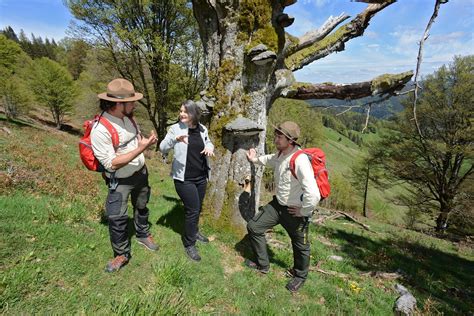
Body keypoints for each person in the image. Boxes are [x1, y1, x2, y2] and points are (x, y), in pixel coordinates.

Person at [91, 78, 158, 273]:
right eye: (132, 101)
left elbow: (135, 142)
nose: (135, 104)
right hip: (120, 180)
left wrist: (144, 142)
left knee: (142, 206)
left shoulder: (130, 118)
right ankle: (121, 253)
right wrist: (143, 148)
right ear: (119, 103)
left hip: (141, 174)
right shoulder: (100, 129)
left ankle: (143, 234)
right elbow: (112, 163)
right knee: (117, 218)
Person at [245, 121, 320, 292]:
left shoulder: (299, 160)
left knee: (300, 245)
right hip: (277, 206)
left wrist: (304, 211)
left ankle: (300, 276)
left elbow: (313, 193)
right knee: (254, 227)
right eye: (276, 135)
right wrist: (254, 159)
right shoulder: (281, 154)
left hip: (295, 212)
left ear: (291, 140)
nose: (276, 139)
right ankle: (263, 265)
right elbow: (270, 159)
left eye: (280, 137)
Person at [159, 100, 214, 262]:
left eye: (186, 111)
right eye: (181, 110)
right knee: (192, 210)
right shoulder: (175, 129)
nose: (182, 114)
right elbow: (162, 147)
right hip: (184, 179)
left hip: (201, 176)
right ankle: (189, 244)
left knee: (197, 208)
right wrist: (175, 139)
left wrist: (210, 147)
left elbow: (208, 142)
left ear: (194, 114)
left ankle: (194, 232)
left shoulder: (202, 128)